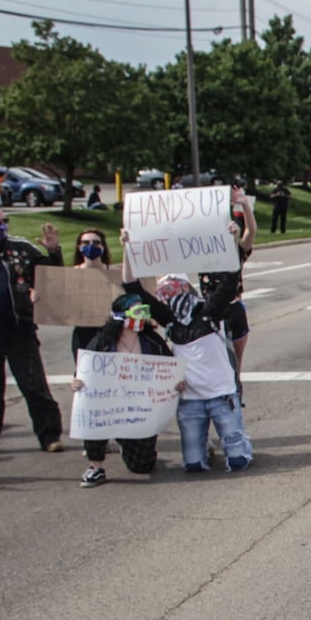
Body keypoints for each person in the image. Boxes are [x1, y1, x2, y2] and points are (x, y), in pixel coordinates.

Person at [119, 233, 251, 473]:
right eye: (164, 291)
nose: (170, 294)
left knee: (238, 461)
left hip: (221, 395)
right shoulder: (169, 320)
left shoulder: (210, 311)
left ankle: (240, 443)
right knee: (193, 465)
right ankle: (203, 448)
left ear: (187, 289)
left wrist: (231, 241)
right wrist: (127, 248)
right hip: (190, 400)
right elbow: (131, 286)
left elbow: (231, 279)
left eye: (175, 288)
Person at [71, 294, 179, 488]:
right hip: (107, 404)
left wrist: (176, 382)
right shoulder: (102, 343)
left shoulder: (152, 342)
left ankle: (124, 443)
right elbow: (83, 371)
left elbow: (170, 368)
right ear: (121, 316)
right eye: (137, 312)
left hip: (139, 409)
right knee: (93, 412)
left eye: (144, 312)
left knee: (142, 465)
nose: (142, 317)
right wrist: (77, 382)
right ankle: (95, 466)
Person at [0, 206, 64, 454]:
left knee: (33, 384)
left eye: (3, 222)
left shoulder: (21, 249)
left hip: (19, 328)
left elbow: (50, 276)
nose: (0, 228)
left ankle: (49, 436)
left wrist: (53, 250)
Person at [198, 187, 257, 377]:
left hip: (233, 310)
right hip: (210, 310)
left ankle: (235, 392)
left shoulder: (237, 252)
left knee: (235, 363)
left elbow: (251, 231)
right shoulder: (201, 253)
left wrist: (245, 205)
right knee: (214, 359)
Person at [69, 227, 112, 360]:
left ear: (103, 246)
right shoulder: (70, 274)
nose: (91, 246)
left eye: (96, 242)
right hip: (83, 331)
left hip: (110, 330)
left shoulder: (115, 274)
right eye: (86, 243)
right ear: (79, 246)